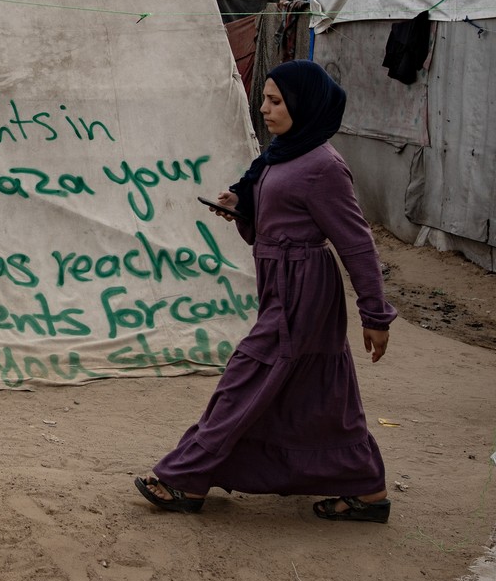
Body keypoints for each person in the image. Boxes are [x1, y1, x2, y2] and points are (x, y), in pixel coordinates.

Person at [134, 59, 396, 523]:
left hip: (303, 292)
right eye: (265, 99)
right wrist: (242, 207)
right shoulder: (286, 154)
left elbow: (356, 243)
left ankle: (185, 478)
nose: (265, 108)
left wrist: (375, 315)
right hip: (281, 285)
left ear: (303, 103)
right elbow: (276, 220)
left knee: (244, 379)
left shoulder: (323, 166)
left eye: (276, 101)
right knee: (320, 392)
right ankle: (366, 489)